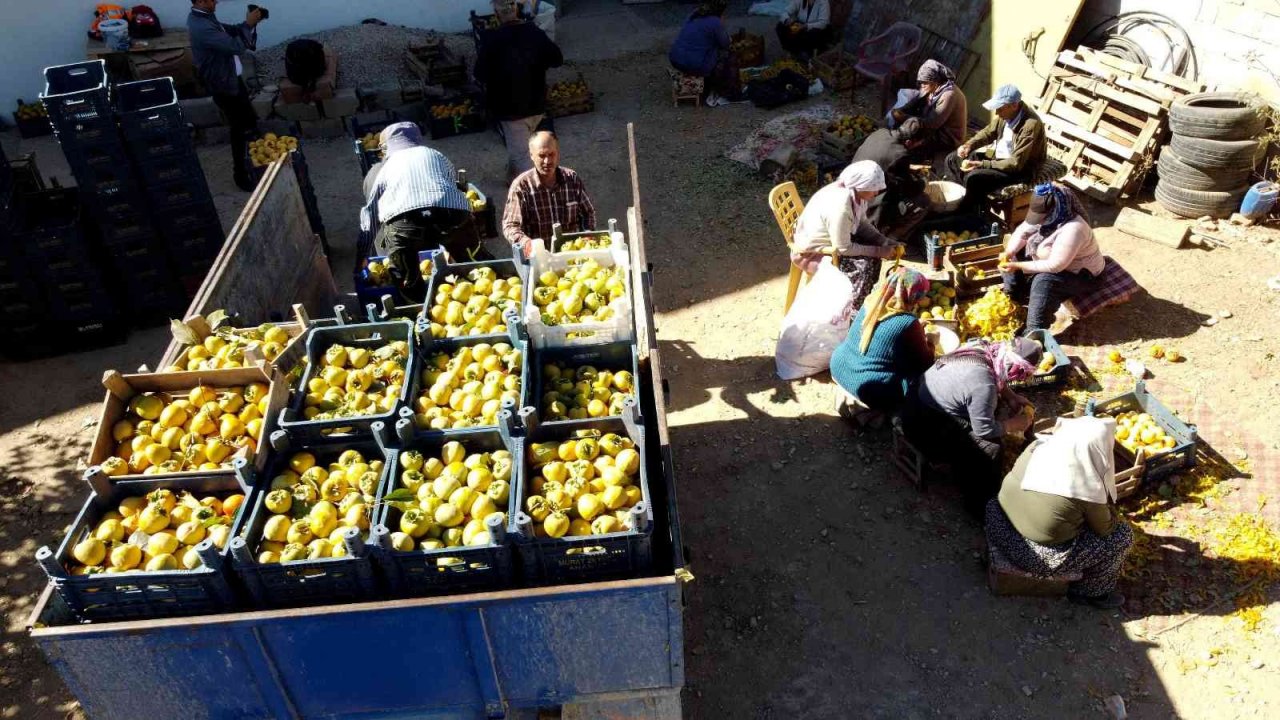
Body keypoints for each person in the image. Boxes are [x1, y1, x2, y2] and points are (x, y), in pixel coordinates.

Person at [987, 415, 1134, 609]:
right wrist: (1110, 512)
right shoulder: (1086, 484)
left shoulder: (1036, 448)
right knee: (1122, 537)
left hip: (997, 518)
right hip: (1032, 555)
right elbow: (1106, 530)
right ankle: (1093, 592)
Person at [903, 337, 1041, 516]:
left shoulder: (983, 349)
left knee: (991, 410)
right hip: (922, 424)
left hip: (919, 398)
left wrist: (1011, 396)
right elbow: (983, 430)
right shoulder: (984, 385)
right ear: (1015, 368)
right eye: (1021, 375)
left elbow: (991, 378)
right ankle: (979, 506)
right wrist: (1014, 424)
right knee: (990, 448)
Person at [360, 123, 482, 298]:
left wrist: (363, 253)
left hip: (404, 224)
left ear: (384, 148)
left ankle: (419, 307)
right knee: (474, 265)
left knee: (409, 280)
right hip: (451, 215)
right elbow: (453, 187)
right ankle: (478, 288)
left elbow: (370, 214)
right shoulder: (435, 154)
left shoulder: (380, 170)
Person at [790, 161, 905, 312]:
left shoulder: (854, 194)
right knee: (864, 267)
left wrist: (883, 241)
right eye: (873, 189)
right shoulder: (841, 207)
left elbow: (861, 224)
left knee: (872, 255)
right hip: (814, 253)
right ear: (861, 186)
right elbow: (843, 248)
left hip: (835, 238)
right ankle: (852, 311)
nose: (876, 193)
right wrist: (878, 251)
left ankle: (863, 298)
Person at [474, 0, 564, 182]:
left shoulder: (492, 41)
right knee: (520, 148)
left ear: (497, 16)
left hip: (510, 111)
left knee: (522, 156)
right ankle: (512, 176)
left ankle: (536, 196)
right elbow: (557, 59)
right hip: (537, 104)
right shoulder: (534, 32)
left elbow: (479, 74)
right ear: (517, 12)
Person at [830, 266, 934, 418]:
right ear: (913, 296)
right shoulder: (907, 322)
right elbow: (925, 362)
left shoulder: (871, 302)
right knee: (918, 379)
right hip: (868, 386)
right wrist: (931, 342)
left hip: (839, 365)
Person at [1001, 183, 1104, 333]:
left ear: (1057, 209)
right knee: (1014, 255)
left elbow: (1055, 266)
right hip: (1053, 262)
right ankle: (1013, 298)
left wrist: (1019, 266)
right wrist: (1009, 253)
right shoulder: (1048, 218)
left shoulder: (1074, 229)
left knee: (1044, 281)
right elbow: (1022, 232)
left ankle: (1034, 330)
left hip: (1082, 275)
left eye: (1042, 217)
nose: (1039, 221)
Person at [188, 0, 266, 192]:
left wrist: (250, 23)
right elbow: (236, 47)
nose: (216, 1)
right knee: (240, 129)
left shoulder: (206, 17)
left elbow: (230, 31)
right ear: (199, 1)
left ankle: (258, 165)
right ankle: (241, 175)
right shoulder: (201, 27)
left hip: (230, 80)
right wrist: (248, 24)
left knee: (248, 123)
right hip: (223, 85)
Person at [944, 84, 1046, 213]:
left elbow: (1016, 163)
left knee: (974, 178)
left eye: (1000, 109)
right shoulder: (1006, 115)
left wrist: (983, 164)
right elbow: (988, 133)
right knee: (952, 159)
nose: (997, 112)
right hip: (999, 159)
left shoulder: (1030, 125)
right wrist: (969, 145)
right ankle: (961, 200)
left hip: (1020, 171)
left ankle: (966, 212)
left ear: (1014, 106)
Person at [502, 131, 597, 255]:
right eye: (541, 156)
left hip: (570, 253)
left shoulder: (571, 178)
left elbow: (587, 213)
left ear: (558, 153)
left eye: (551, 154)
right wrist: (526, 243)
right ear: (531, 155)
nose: (547, 161)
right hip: (537, 257)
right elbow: (510, 226)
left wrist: (587, 234)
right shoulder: (521, 186)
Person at [853, 118, 926, 225]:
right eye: (917, 144)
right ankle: (890, 234)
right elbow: (907, 187)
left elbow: (883, 160)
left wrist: (907, 169)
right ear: (909, 142)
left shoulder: (881, 132)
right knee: (923, 201)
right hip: (863, 201)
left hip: (851, 184)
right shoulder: (900, 154)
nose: (917, 146)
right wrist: (923, 183)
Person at [669, 1, 737, 107]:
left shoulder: (694, 15)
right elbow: (725, 43)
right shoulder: (715, 22)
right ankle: (722, 88)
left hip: (675, 59)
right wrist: (722, 25)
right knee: (727, 54)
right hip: (694, 64)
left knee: (707, 46)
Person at [906, 60, 967, 161]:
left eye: (925, 83)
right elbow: (914, 103)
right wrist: (902, 111)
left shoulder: (949, 95)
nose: (922, 85)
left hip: (948, 136)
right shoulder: (930, 87)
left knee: (911, 153)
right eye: (921, 82)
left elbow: (932, 124)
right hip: (935, 125)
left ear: (935, 81)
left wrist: (906, 118)